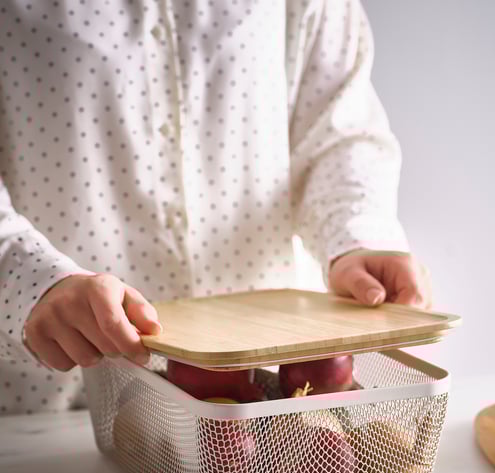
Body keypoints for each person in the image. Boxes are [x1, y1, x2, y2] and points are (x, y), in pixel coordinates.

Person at [0, 0, 430, 415]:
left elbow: (338, 125)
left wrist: (354, 235)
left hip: (271, 407)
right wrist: (29, 281)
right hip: (53, 408)